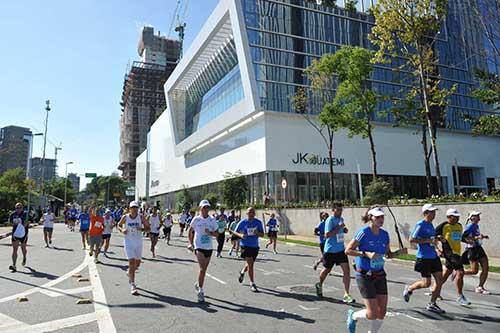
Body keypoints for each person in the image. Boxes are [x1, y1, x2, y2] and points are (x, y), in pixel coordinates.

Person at [345, 206, 406, 333]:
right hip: (364, 275)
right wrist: (365, 253)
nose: (380, 219)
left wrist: (398, 253)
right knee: (372, 313)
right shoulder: (363, 232)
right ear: (370, 218)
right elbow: (348, 250)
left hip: (380, 274)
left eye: (382, 217)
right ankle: (353, 316)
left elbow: (387, 254)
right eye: (377, 217)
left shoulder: (385, 234)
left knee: (382, 312)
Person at [403, 204, 445, 313]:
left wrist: (437, 242)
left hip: (434, 257)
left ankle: (432, 303)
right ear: (426, 213)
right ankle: (409, 289)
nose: (434, 214)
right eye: (432, 212)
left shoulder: (431, 225)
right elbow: (412, 239)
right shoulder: (420, 224)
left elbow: (431, 239)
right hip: (424, 258)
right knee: (426, 283)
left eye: (435, 212)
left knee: (439, 280)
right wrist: (427, 241)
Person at [315, 202, 354, 303]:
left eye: (341, 210)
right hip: (330, 250)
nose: (340, 212)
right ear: (333, 210)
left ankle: (346, 294)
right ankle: (319, 284)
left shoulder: (341, 219)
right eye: (338, 210)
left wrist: (344, 229)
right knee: (326, 270)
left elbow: (341, 229)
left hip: (341, 249)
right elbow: (327, 235)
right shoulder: (330, 220)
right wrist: (339, 227)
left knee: (347, 270)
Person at [435, 208, 471, 306]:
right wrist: (438, 249)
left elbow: (460, 237)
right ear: (449, 217)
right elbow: (433, 237)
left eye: (458, 216)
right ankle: (460, 296)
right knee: (460, 271)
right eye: (455, 217)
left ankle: (436, 291)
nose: (457, 218)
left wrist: (467, 240)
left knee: (446, 273)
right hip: (449, 253)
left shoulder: (459, 226)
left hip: (457, 253)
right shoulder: (443, 226)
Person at [187, 200, 218, 303]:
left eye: (207, 207)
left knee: (204, 270)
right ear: (200, 208)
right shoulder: (196, 219)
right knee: (202, 268)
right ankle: (200, 291)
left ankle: (198, 284)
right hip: (199, 246)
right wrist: (190, 244)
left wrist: (210, 233)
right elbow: (190, 231)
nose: (206, 209)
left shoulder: (212, 220)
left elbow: (217, 234)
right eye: (204, 207)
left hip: (208, 247)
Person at [117, 201, 149, 295]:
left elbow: (148, 228)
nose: (134, 209)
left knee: (137, 264)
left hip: (138, 243)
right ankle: (133, 285)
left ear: (138, 209)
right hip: (128, 242)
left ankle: (130, 272)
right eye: (132, 208)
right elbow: (118, 225)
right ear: (129, 208)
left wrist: (142, 229)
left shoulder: (141, 217)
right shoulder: (125, 217)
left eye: (136, 207)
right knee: (131, 262)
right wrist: (122, 230)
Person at [231, 207, 264, 292]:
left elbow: (262, 234)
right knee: (251, 264)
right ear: (247, 213)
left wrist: (257, 233)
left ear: (254, 214)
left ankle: (242, 272)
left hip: (255, 246)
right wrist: (241, 235)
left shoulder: (258, 222)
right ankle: (252, 283)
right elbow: (234, 231)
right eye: (249, 212)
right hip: (245, 245)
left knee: (250, 264)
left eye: (253, 212)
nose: (251, 214)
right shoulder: (243, 222)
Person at [462, 211, 490, 294]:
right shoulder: (470, 226)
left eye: (478, 215)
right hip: (472, 250)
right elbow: (463, 237)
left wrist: (482, 236)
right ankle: (458, 272)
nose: (478, 217)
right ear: (472, 218)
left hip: (479, 248)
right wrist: (475, 238)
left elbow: (474, 236)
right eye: (476, 215)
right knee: (474, 271)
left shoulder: (476, 225)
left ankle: (480, 287)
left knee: (486, 267)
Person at [9, 203, 29, 272]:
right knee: (15, 249)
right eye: (17, 208)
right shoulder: (13, 214)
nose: (18, 209)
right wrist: (15, 223)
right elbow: (10, 222)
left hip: (23, 233)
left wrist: (25, 224)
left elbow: (28, 222)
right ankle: (14, 265)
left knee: (23, 248)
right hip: (15, 233)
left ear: (22, 208)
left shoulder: (25, 214)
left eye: (20, 207)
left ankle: (24, 257)